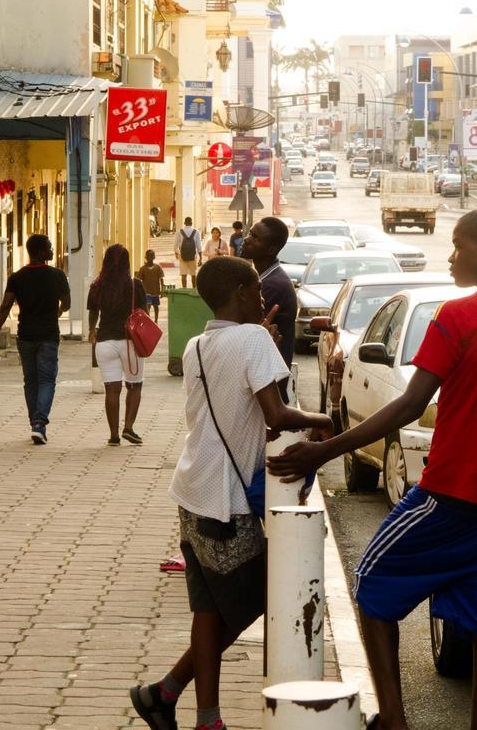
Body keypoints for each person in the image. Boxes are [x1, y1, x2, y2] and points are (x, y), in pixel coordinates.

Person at [268, 207, 477, 730]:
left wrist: (325, 450)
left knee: (371, 586)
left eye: (459, 245)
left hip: (448, 495)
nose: (452, 255)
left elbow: (411, 405)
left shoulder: (455, 317)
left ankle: (393, 719)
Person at [129, 256, 333, 730]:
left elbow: (240, 395)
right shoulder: (254, 339)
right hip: (224, 500)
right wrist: (323, 421)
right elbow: (276, 417)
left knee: (209, 607)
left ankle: (195, 712)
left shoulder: (202, 342)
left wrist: (262, 342)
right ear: (241, 292)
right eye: (257, 291)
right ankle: (172, 695)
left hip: (191, 488)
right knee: (263, 594)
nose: (264, 297)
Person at [0, 234, 70, 445]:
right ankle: (39, 424)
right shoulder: (57, 276)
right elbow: (66, 303)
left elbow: (5, 307)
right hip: (48, 336)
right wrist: (56, 313)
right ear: (41, 252)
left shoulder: (17, 277)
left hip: (25, 336)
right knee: (47, 380)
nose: (52, 250)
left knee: (30, 381)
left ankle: (35, 423)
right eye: (49, 247)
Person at [87, 244, 148, 447]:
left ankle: (113, 435)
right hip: (130, 343)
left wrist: (92, 330)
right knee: (135, 384)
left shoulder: (98, 285)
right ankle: (128, 427)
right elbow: (143, 313)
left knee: (112, 389)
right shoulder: (135, 285)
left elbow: (93, 312)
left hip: (105, 342)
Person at [241, 216, 296, 379]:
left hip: (268, 379)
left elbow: (246, 329)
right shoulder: (265, 278)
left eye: (255, 238)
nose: (246, 239)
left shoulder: (272, 285)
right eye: (250, 233)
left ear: (271, 249)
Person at [175, 217, 202, 288]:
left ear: (184, 223)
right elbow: (199, 246)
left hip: (182, 255)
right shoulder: (196, 232)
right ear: (191, 223)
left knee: (183, 274)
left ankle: (184, 289)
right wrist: (200, 258)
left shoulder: (179, 232)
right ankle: (194, 288)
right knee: (193, 274)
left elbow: (176, 244)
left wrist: (176, 253)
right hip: (193, 256)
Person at [138, 249, 165, 322]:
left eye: (152, 256)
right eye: (149, 256)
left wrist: (162, 290)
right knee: (147, 307)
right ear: (146, 257)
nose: (150, 258)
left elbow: (161, 279)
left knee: (156, 306)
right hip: (146, 292)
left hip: (155, 291)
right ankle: (148, 320)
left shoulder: (158, 267)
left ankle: (156, 320)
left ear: (154, 257)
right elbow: (139, 280)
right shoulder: (143, 269)